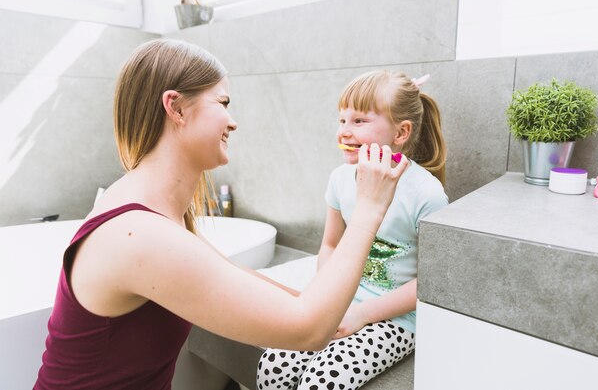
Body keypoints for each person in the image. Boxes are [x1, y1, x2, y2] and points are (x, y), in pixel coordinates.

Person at [33, 40, 408, 390]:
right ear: (176, 108)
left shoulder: (149, 211)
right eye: (223, 103)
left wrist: (335, 308)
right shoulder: (138, 235)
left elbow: (230, 275)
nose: (233, 121)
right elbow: (308, 330)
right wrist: (369, 208)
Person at [257, 70, 448, 390]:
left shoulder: (426, 195)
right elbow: (330, 245)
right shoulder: (340, 179)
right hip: (342, 300)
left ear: (401, 132)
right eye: (342, 120)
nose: (344, 131)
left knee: (320, 380)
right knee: (274, 364)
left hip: (396, 320)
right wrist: (324, 297)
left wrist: (361, 315)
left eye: (359, 121)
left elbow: (430, 283)